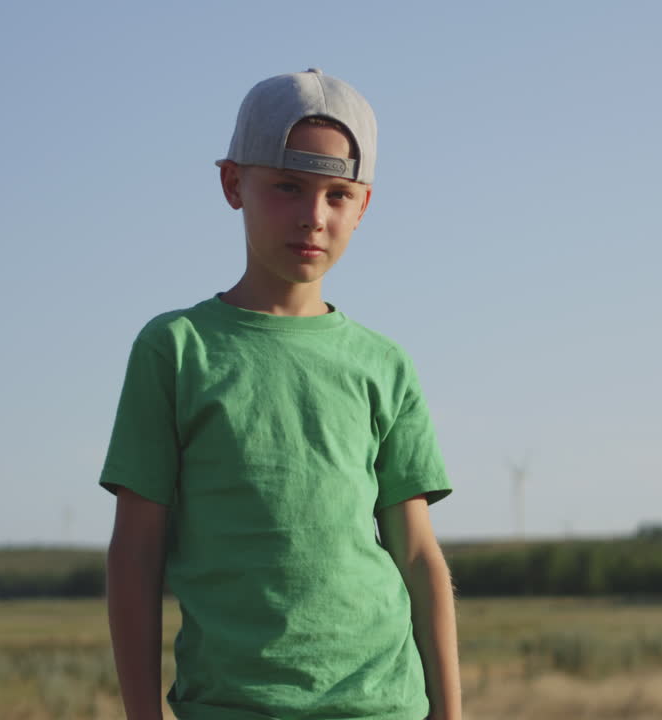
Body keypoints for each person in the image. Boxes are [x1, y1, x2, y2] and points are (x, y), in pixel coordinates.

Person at [100, 69, 461, 720]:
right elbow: (135, 553)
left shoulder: (384, 365)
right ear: (234, 184)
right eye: (288, 187)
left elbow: (417, 552)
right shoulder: (175, 350)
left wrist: (450, 711)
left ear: (365, 205)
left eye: (337, 195)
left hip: (384, 705)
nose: (313, 217)